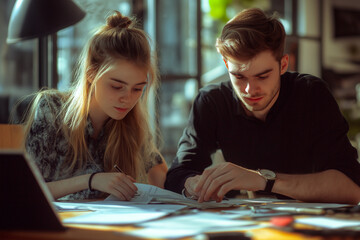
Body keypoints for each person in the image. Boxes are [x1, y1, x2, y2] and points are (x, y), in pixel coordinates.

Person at [164, 8, 360, 204]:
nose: (250, 89)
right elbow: (178, 174)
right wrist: (194, 185)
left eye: (262, 76)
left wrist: (263, 180)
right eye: (239, 76)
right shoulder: (212, 101)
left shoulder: (311, 95)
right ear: (226, 64)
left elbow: (352, 189)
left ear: (283, 65)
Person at [23, 11, 167, 201]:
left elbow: (161, 176)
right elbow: (25, 190)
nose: (128, 99)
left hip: (108, 227)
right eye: (117, 86)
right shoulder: (51, 109)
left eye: (137, 89)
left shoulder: (131, 123)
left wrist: (191, 186)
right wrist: (91, 180)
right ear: (91, 74)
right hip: (55, 227)